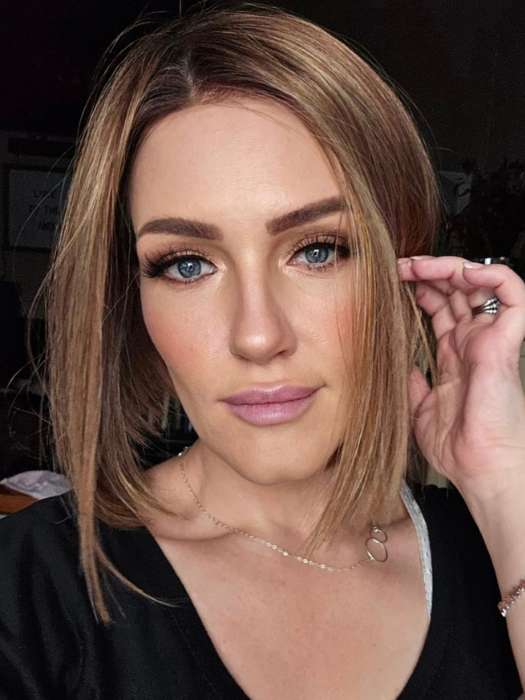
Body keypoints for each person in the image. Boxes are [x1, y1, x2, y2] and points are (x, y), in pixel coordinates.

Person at [1, 4, 525, 698]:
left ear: (404, 266)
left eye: (318, 251)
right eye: (187, 264)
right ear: (133, 295)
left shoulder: (493, 549)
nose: (256, 335)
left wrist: (501, 479)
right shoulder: (25, 592)